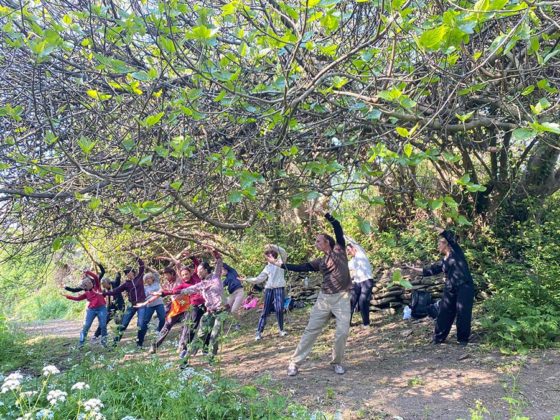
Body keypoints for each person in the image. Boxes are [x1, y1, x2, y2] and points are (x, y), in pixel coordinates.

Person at [267, 213, 352, 376]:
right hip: (324, 298)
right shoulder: (319, 262)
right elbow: (301, 267)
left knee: (342, 332)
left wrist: (327, 215)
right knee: (311, 330)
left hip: (342, 297)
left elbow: (338, 228)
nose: (316, 243)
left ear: (328, 242)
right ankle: (294, 363)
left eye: (318, 240)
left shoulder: (339, 250)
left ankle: (337, 362)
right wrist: (278, 264)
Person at [407, 229, 475, 346]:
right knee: (444, 312)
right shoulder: (444, 261)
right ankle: (438, 338)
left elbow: (451, 238)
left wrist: (442, 231)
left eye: (440, 243)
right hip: (450, 288)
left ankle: (462, 339)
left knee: (463, 312)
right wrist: (414, 269)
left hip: (464, 286)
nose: (438, 245)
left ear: (446, 245)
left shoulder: (457, 253)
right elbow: (430, 270)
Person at [179, 250, 225, 365]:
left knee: (214, 336)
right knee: (200, 336)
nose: (198, 273)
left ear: (205, 270)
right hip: (209, 312)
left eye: (200, 271)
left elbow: (219, 262)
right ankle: (185, 360)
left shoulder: (216, 277)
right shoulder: (202, 283)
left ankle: (211, 358)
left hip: (220, 311)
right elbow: (189, 289)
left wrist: (214, 252)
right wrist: (167, 293)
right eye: (197, 271)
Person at [244, 244, 288, 340]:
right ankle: (259, 332)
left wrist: (273, 246)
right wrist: (246, 279)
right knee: (265, 311)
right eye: (267, 256)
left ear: (274, 256)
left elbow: (284, 252)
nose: (267, 258)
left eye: (269, 256)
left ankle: (281, 330)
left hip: (279, 289)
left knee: (279, 309)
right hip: (269, 290)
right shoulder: (267, 268)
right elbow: (258, 279)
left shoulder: (280, 262)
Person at [103, 257, 147, 347]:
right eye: (126, 273)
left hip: (142, 304)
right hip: (132, 305)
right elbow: (115, 291)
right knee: (123, 324)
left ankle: (139, 344)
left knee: (141, 324)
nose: (127, 274)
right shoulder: (126, 284)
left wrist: (136, 258)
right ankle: (115, 343)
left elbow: (142, 266)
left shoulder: (139, 277)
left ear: (133, 272)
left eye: (128, 272)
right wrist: (104, 293)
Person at [63, 271, 107, 347]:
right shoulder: (86, 293)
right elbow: (77, 298)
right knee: (86, 326)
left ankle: (104, 342)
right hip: (91, 310)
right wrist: (68, 296)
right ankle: (81, 342)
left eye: (90, 281)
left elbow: (96, 277)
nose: (90, 283)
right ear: (85, 286)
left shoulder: (97, 287)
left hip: (101, 308)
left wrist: (87, 272)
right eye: (87, 283)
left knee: (103, 325)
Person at [346, 241, 375, 327]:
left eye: (349, 249)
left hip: (367, 281)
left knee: (363, 302)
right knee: (351, 301)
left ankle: (366, 324)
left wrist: (343, 235)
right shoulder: (353, 261)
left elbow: (355, 243)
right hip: (357, 283)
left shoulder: (361, 254)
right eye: (347, 250)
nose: (348, 252)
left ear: (354, 248)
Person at [137, 269, 166, 345]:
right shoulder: (145, 287)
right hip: (149, 305)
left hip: (159, 303)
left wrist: (147, 267)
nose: (147, 280)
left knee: (163, 318)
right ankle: (139, 341)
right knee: (145, 322)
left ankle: (158, 332)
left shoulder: (157, 283)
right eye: (146, 279)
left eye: (148, 278)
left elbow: (156, 272)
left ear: (152, 278)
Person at [222, 262, 245, 328]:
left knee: (234, 310)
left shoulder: (232, 272)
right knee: (227, 308)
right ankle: (236, 320)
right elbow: (220, 287)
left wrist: (215, 255)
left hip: (239, 292)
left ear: (225, 269)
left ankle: (239, 323)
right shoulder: (225, 280)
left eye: (221, 270)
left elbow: (224, 264)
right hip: (232, 294)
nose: (221, 273)